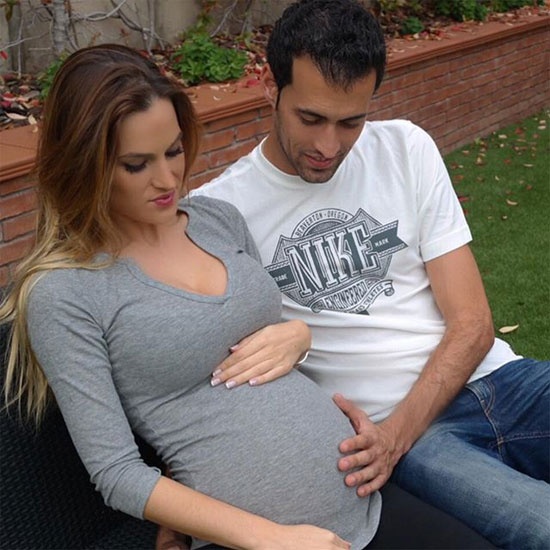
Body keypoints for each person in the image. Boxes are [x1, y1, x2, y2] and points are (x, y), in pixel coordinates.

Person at [0, 44, 495, 550]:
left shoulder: (216, 220)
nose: (168, 179)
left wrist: (298, 337)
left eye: (173, 151)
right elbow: (115, 471)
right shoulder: (65, 290)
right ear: (84, 164)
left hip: (365, 500)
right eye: (135, 164)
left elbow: (267, 340)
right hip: (259, 538)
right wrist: (274, 539)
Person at [192, 0, 550, 548]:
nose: (328, 146)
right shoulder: (220, 212)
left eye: (350, 122)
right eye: (310, 118)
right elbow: (182, 369)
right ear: (269, 86)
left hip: (501, 383)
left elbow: (473, 323)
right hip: (413, 438)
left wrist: (394, 438)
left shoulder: (405, 147)